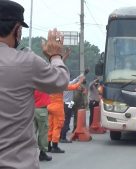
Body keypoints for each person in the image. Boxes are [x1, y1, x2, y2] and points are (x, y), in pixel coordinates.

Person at [0, 1, 70, 168]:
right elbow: (60, 81)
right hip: (16, 163)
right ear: (17, 30)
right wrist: (55, 56)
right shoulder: (26, 62)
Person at [47, 76, 85, 152]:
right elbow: (73, 87)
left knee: (50, 126)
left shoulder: (49, 85)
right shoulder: (60, 86)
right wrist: (80, 82)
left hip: (49, 106)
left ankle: (48, 146)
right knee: (57, 127)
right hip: (57, 107)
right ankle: (55, 146)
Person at [34, 90, 52, 162]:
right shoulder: (43, 85)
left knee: (32, 132)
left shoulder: (32, 84)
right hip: (42, 109)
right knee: (43, 132)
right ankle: (42, 153)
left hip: (31, 109)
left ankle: (30, 152)